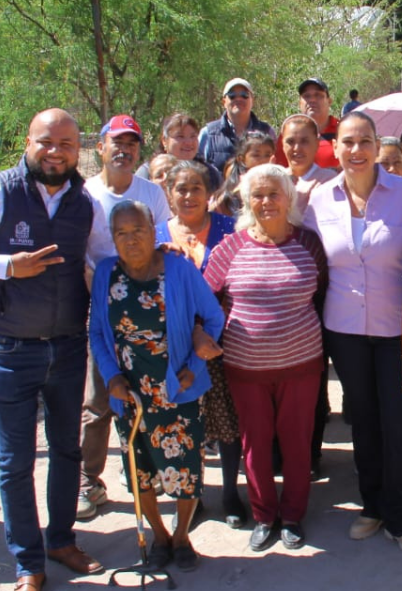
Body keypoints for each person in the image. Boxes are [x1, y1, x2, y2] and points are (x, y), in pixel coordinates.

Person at [0, 109, 115, 590]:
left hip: (67, 344)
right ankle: (27, 563)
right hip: (9, 347)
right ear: (27, 142)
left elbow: (103, 259)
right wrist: (6, 266)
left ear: (80, 150)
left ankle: (60, 540)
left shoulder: (85, 202)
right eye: (46, 142)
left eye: (67, 144)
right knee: (15, 460)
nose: (56, 152)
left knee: (65, 451)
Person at [303, 111, 402, 556]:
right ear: (336, 147)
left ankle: (399, 514)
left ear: (377, 145)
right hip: (343, 329)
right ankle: (372, 506)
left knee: (398, 423)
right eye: (347, 142)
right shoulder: (321, 200)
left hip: (395, 331)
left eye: (365, 141)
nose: (356, 150)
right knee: (362, 421)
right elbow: (305, 253)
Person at [89, 200, 224, 573]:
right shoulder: (105, 273)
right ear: (113, 239)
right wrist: (111, 376)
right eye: (122, 233)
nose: (131, 240)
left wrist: (193, 368)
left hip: (176, 389)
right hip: (129, 392)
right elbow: (98, 331)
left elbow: (213, 318)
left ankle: (182, 535)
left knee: (184, 470)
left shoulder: (178, 269)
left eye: (139, 231)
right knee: (140, 471)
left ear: (154, 231)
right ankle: (160, 536)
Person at [205, 164, 328, 552]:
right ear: (245, 200)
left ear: (289, 197)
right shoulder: (230, 247)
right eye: (257, 195)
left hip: (302, 365)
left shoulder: (309, 243)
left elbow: (322, 292)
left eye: (274, 193)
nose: (266, 201)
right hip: (245, 368)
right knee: (255, 444)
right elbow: (206, 301)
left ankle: (292, 516)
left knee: (296, 442)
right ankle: (263, 515)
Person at [78, 114, 172, 520]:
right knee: (99, 399)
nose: (124, 150)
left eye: (132, 143)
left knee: (152, 393)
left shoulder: (152, 193)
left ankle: (151, 470)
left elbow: (164, 246)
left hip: (148, 310)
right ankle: (87, 480)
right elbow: (79, 255)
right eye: (116, 142)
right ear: (100, 147)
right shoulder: (83, 196)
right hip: (98, 305)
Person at [155, 160, 248, 530]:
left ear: (211, 194)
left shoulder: (230, 230)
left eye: (197, 188)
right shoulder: (156, 236)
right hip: (174, 346)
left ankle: (229, 493)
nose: (189, 196)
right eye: (181, 188)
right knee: (184, 423)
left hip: (223, 342)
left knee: (227, 423)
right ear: (168, 193)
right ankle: (190, 496)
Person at [279, 114, 338, 475]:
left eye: (304, 140)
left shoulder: (331, 182)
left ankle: (311, 452)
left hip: (322, 291)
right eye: (290, 141)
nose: (297, 148)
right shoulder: (274, 180)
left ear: (318, 144)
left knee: (313, 375)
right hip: (283, 292)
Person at [199, 78, 274, 171]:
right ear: (224, 102)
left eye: (244, 95)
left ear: (252, 100)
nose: (238, 99)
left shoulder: (267, 132)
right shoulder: (208, 133)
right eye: (232, 95)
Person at [276, 78, 339, 169]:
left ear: (329, 101)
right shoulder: (288, 133)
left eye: (318, 95)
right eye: (307, 96)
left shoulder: (342, 130)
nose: (312, 100)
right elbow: (281, 171)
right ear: (300, 103)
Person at [214, 131, 276, 217]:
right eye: (256, 155)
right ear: (241, 159)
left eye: (267, 155)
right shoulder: (233, 193)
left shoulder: (278, 185)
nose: (263, 160)